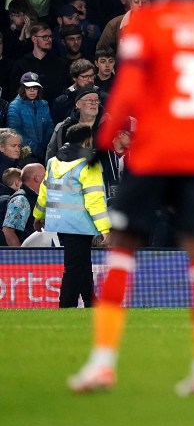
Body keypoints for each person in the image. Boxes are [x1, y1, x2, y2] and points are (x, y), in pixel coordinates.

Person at [66, 0, 194, 397]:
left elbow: (128, 87)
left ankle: (102, 363)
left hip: (151, 155)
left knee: (122, 250)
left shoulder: (145, 24)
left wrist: (105, 138)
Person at [33, 124, 110, 308]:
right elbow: (95, 199)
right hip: (79, 224)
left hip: (58, 222)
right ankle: (66, 306)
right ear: (87, 140)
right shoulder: (88, 164)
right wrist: (105, 228)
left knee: (82, 264)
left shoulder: (53, 161)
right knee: (75, 267)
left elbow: (45, 190)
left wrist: (38, 215)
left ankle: (91, 303)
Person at [8, 72, 54, 160]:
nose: (32, 91)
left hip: (44, 153)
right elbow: (16, 132)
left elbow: (49, 127)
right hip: (24, 155)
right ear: (23, 89)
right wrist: (36, 150)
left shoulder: (44, 104)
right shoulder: (15, 106)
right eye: (29, 88)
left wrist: (46, 147)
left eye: (35, 88)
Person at [2, 163, 43, 247]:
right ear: (37, 178)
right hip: (27, 255)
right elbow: (8, 232)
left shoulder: (35, 197)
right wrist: (20, 256)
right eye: (45, 176)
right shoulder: (21, 199)